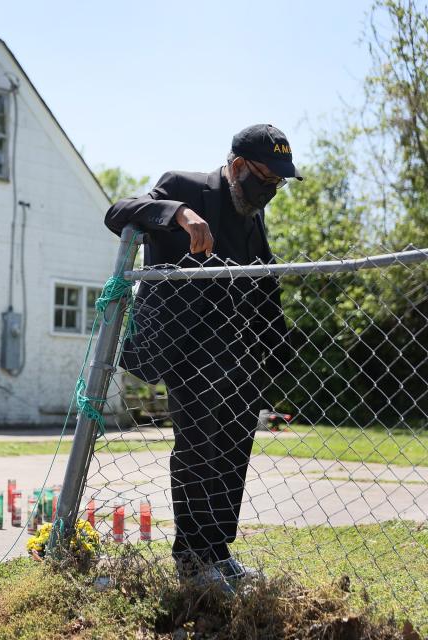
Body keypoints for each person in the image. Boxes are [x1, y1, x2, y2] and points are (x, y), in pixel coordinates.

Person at [104, 124, 299, 588]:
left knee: (232, 452)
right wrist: (181, 216)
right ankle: (192, 562)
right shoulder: (185, 187)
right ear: (236, 167)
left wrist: (278, 351)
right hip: (190, 354)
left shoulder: (252, 212)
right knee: (197, 452)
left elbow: (263, 280)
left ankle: (217, 551)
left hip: (242, 356)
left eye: (278, 183)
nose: (271, 189)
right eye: (266, 178)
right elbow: (118, 212)